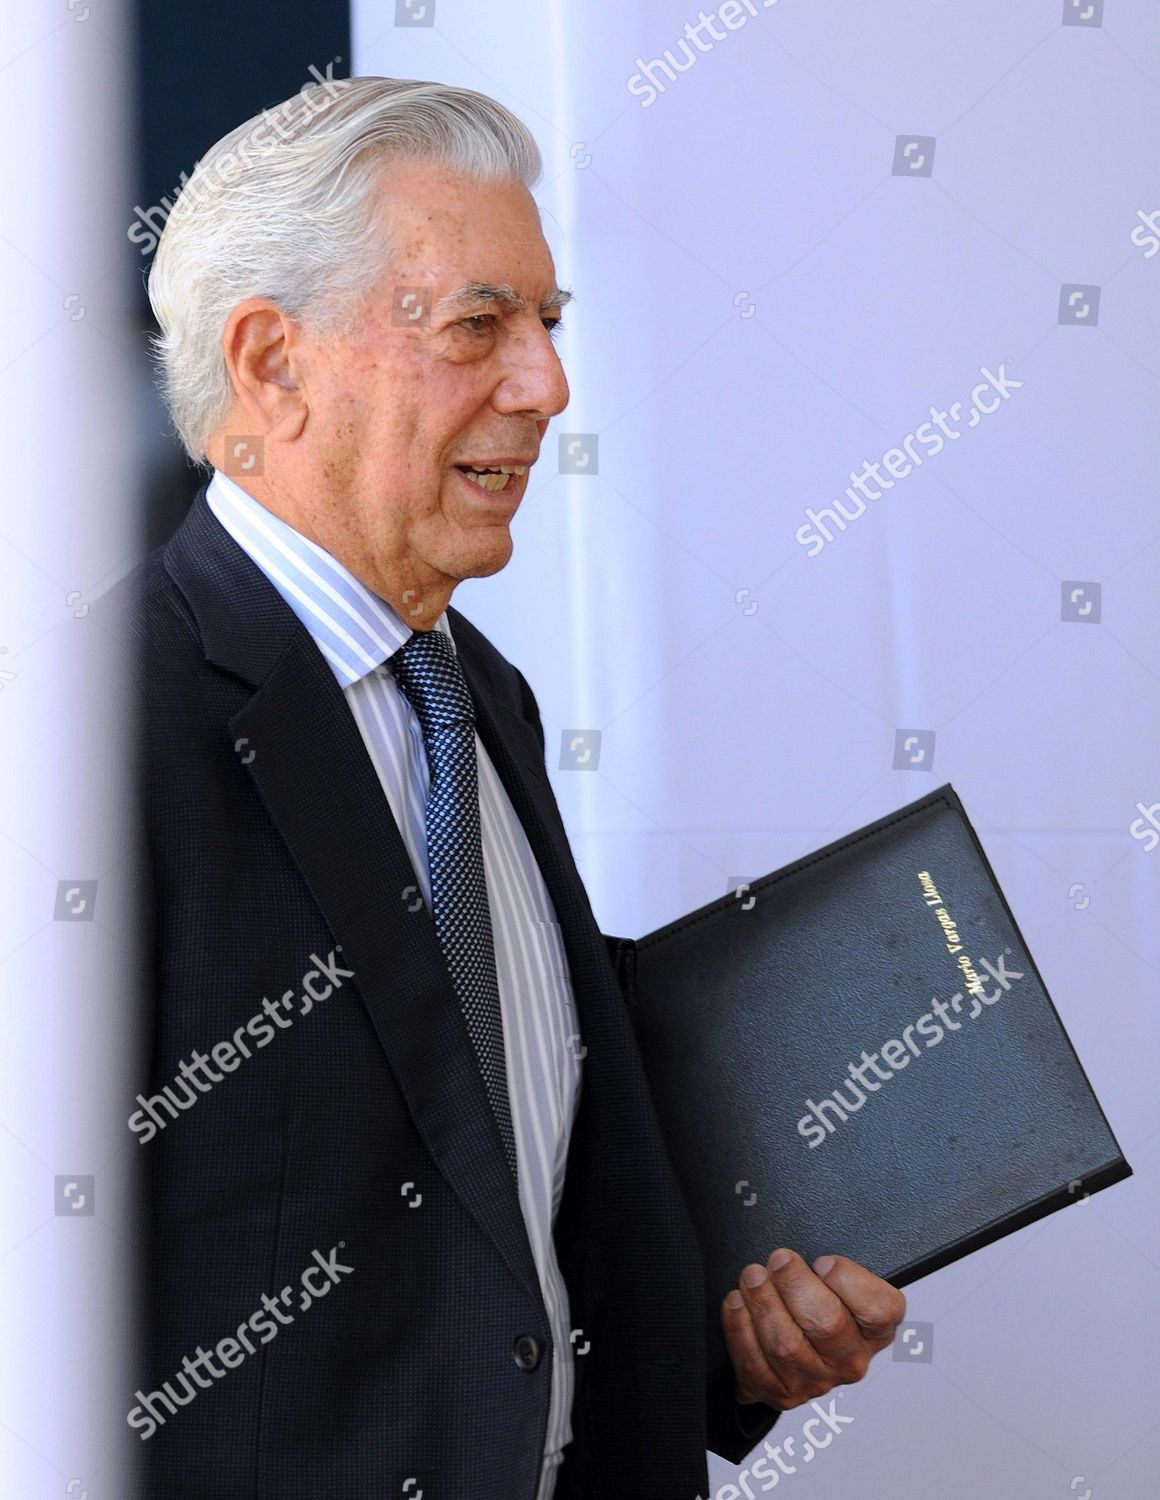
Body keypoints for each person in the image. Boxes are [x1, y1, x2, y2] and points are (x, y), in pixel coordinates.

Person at [124, 75, 905, 1498]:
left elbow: (498, 1185)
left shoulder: (473, 690)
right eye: (478, 325)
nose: (546, 385)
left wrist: (725, 1346)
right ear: (272, 363)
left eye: (547, 322)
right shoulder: (86, 733)